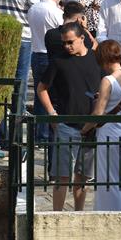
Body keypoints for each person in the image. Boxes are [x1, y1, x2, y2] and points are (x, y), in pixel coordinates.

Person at [36, 22, 101, 211]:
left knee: (82, 177)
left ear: (82, 39)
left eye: (70, 42)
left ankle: (79, 215)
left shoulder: (96, 59)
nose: (66, 46)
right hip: (65, 123)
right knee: (61, 176)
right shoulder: (59, 60)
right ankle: (57, 215)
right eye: (64, 42)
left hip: (90, 126)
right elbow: (41, 88)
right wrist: (52, 114)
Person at [81, 40, 121, 211]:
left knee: (108, 177)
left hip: (109, 133)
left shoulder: (108, 80)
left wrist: (85, 129)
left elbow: (98, 113)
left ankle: (109, 211)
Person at [0, 0, 39, 109]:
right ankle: (18, 111)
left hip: (4, 34)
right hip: (23, 35)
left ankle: (2, 108)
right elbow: (36, 11)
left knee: (4, 74)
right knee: (21, 75)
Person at [27, 0, 64, 145]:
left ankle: (39, 133)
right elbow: (63, 31)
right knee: (49, 96)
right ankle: (44, 134)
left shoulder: (34, 8)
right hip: (48, 55)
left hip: (36, 53)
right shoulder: (55, 11)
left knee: (39, 94)